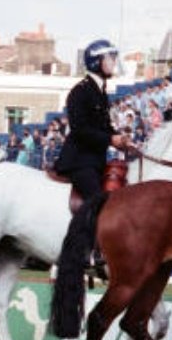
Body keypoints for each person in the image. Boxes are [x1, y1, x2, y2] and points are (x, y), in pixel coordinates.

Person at [54, 39, 129, 272]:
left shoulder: (101, 92)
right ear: (98, 61)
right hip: (79, 160)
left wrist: (120, 138)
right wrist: (110, 139)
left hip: (96, 160)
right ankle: (92, 252)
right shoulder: (80, 92)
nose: (114, 62)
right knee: (98, 199)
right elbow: (80, 129)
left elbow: (103, 127)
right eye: (110, 58)